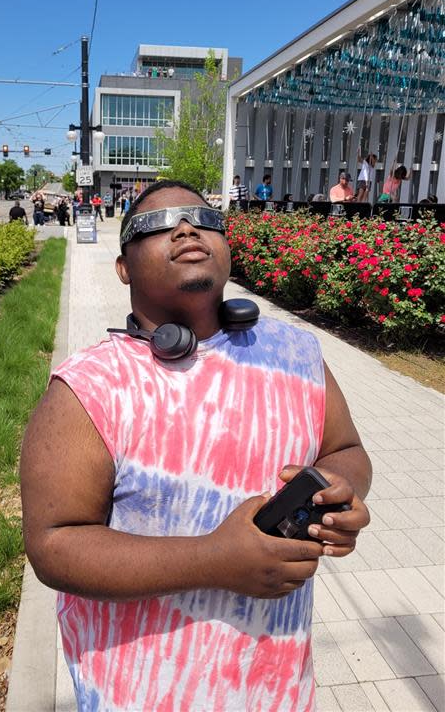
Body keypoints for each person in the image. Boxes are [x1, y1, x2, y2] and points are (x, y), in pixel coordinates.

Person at [21, 179, 372, 711]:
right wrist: (214, 559)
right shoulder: (88, 388)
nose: (186, 228)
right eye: (156, 225)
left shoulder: (297, 354)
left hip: (280, 688)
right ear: (123, 269)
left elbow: (345, 450)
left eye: (203, 219)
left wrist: (338, 494)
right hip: (141, 692)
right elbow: (54, 546)